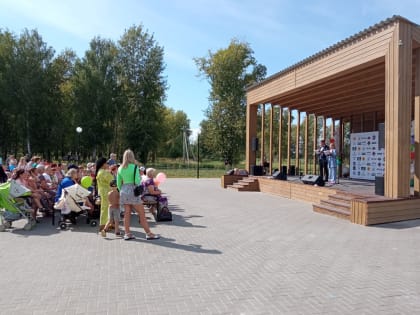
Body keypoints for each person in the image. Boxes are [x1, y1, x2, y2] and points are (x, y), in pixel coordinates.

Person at [117, 149, 159, 241]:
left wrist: (123, 190)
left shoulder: (120, 168)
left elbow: (118, 183)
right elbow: (137, 181)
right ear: (132, 157)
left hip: (123, 191)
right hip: (133, 191)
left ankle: (127, 234)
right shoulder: (135, 167)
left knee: (127, 214)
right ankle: (148, 233)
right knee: (141, 213)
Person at [95, 157, 114, 233]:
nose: (107, 164)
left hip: (103, 191)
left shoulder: (100, 171)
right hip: (107, 192)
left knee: (105, 208)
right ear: (103, 164)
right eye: (106, 163)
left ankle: (108, 224)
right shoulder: (104, 172)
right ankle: (104, 225)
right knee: (106, 209)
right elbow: (112, 181)